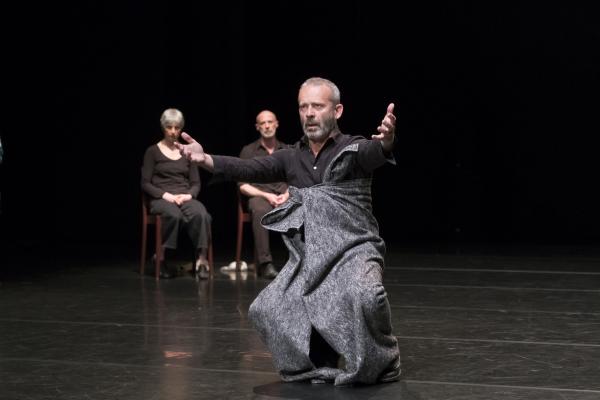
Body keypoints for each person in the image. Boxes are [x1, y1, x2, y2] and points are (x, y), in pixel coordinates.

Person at [176, 77, 400, 385]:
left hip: (354, 248)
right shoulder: (290, 156)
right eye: (303, 107)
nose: (309, 113)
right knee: (267, 308)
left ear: (337, 111)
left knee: (366, 295)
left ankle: (384, 362)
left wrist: (386, 141)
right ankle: (312, 363)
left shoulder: (352, 148)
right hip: (310, 257)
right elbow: (248, 169)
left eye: (317, 106)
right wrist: (205, 159)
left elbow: (374, 153)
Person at [141, 108, 212, 279]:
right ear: (163, 128)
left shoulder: (187, 152)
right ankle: (160, 257)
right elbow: (145, 183)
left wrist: (189, 195)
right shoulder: (152, 151)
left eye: (177, 127)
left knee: (201, 214)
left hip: (184, 196)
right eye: (169, 127)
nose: (173, 131)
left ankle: (202, 260)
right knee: (173, 214)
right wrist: (165, 195)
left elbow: (195, 183)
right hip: (161, 197)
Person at [236, 110, 289, 279]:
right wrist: (266, 195)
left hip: (284, 195)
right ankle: (265, 264)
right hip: (260, 195)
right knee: (260, 210)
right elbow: (243, 185)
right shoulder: (249, 151)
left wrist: (287, 194)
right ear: (257, 127)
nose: (267, 126)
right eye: (263, 123)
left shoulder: (287, 150)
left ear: (276, 124)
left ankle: (297, 261)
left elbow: (297, 179)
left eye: (270, 122)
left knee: (299, 206)